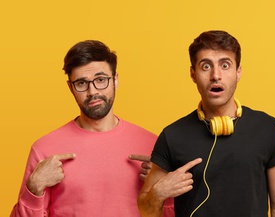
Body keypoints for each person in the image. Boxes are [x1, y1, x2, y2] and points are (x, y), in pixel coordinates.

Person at [138, 30, 275, 217]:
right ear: (193, 74)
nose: (216, 75)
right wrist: (159, 192)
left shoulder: (268, 128)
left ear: (238, 72)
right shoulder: (172, 136)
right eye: (205, 66)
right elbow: (145, 209)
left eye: (225, 65)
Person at [10, 40, 171, 216]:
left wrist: (162, 190)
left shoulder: (153, 145)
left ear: (115, 80)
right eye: (81, 83)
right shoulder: (44, 149)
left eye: (101, 80)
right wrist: (34, 188)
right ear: (70, 88)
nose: (92, 91)